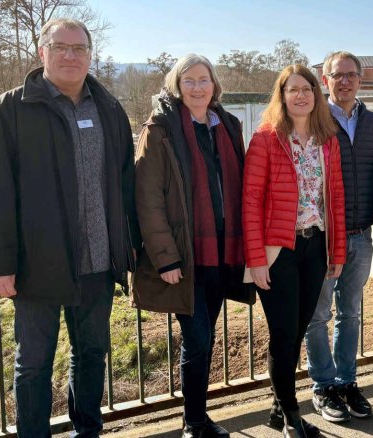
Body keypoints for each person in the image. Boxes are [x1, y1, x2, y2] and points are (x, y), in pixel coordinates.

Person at [0, 18, 137, 437]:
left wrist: (128, 247)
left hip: (98, 262)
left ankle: (88, 430)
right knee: (33, 363)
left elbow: (125, 185)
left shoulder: (109, 109)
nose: (70, 55)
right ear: (41, 51)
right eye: (61, 47)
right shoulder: (11, 109)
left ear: (90, 56)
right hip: (36, 265)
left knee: (92, 355)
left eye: (79, 48)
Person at [132, 54, 245, 438]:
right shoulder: (160, 128)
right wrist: (166, 258)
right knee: (197, 338)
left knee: (205, 337)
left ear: (215, 85)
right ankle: (194, 423)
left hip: (222, 252)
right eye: (189, 80)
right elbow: (148, 199)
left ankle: (198, 418)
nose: (198, 87)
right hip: (185, 254)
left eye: (204, 79)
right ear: (176, 85)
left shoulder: (228, 125)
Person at [243, 64, 347, 438]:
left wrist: (337, 252)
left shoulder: (327, 140)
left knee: (299, 329)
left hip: (315, 246)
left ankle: (277, 410)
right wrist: (256, 259)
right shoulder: (266, 139)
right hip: (278, 250)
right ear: (282, 96)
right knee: (284, 335)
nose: (301, 95)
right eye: (293, 89)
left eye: (307, 89)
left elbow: (336, 198)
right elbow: (250, 201)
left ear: (316, 95)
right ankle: (291, 416)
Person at [303, 51, 373, 423]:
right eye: (338, 75)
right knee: (318, 315)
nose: (345, 81)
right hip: (322, 237)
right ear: (326, 79)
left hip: (361, 235)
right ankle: (323, 385)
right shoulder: (314, 120)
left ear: (360, 79)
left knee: (350, 313)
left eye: (351, 75)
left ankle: (347, 381)